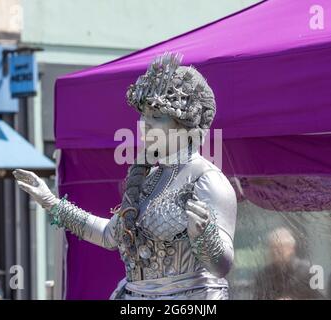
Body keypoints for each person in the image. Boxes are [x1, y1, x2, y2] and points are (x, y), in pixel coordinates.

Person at [13, 52, 237, 300]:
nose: (144, 124)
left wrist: (205, 237)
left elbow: (222, 266)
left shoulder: (207, 179)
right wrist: (52, 204)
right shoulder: (149, 179)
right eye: (143, 115)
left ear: (185, 124)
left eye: (157, 116)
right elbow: (109, 235)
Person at [253, 227, 321, 300]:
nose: (275, 252)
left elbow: (319, 298)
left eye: (280, 248)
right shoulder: (263, 275)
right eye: (272, 248)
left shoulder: (310, 270)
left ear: (291, 248)